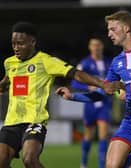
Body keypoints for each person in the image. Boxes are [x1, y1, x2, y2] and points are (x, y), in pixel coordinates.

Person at [56, 10, 131, 168]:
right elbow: (103, 92)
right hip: (130, 123)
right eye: (108, 30)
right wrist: (72, 97)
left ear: (126, 28)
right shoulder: (117, 62)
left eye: (113, 29)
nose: (109, 34)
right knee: (112, 165)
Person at [0, 22, 117, 168]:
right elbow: (7, 79)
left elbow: (76, 74)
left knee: (29, 159)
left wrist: (102, 84)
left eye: (21, 43)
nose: (16, 47)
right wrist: (3, 85)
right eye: (13, 43)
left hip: (34, 121)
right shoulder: (9, 63)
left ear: (32, 42)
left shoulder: (46, 61)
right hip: (11, 122)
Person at [71, 37, 112, 168]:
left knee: (103, 135)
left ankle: (101, 165)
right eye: (94, 45)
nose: (96, 47)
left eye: (99, 45)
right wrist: (88, 87)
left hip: (104, 103)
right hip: (90, 103)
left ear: (102, 46)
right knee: (88, 134)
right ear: (90, 47)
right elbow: (74, 82)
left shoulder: (108, 62)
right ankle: (83, 162)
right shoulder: (85, 63)